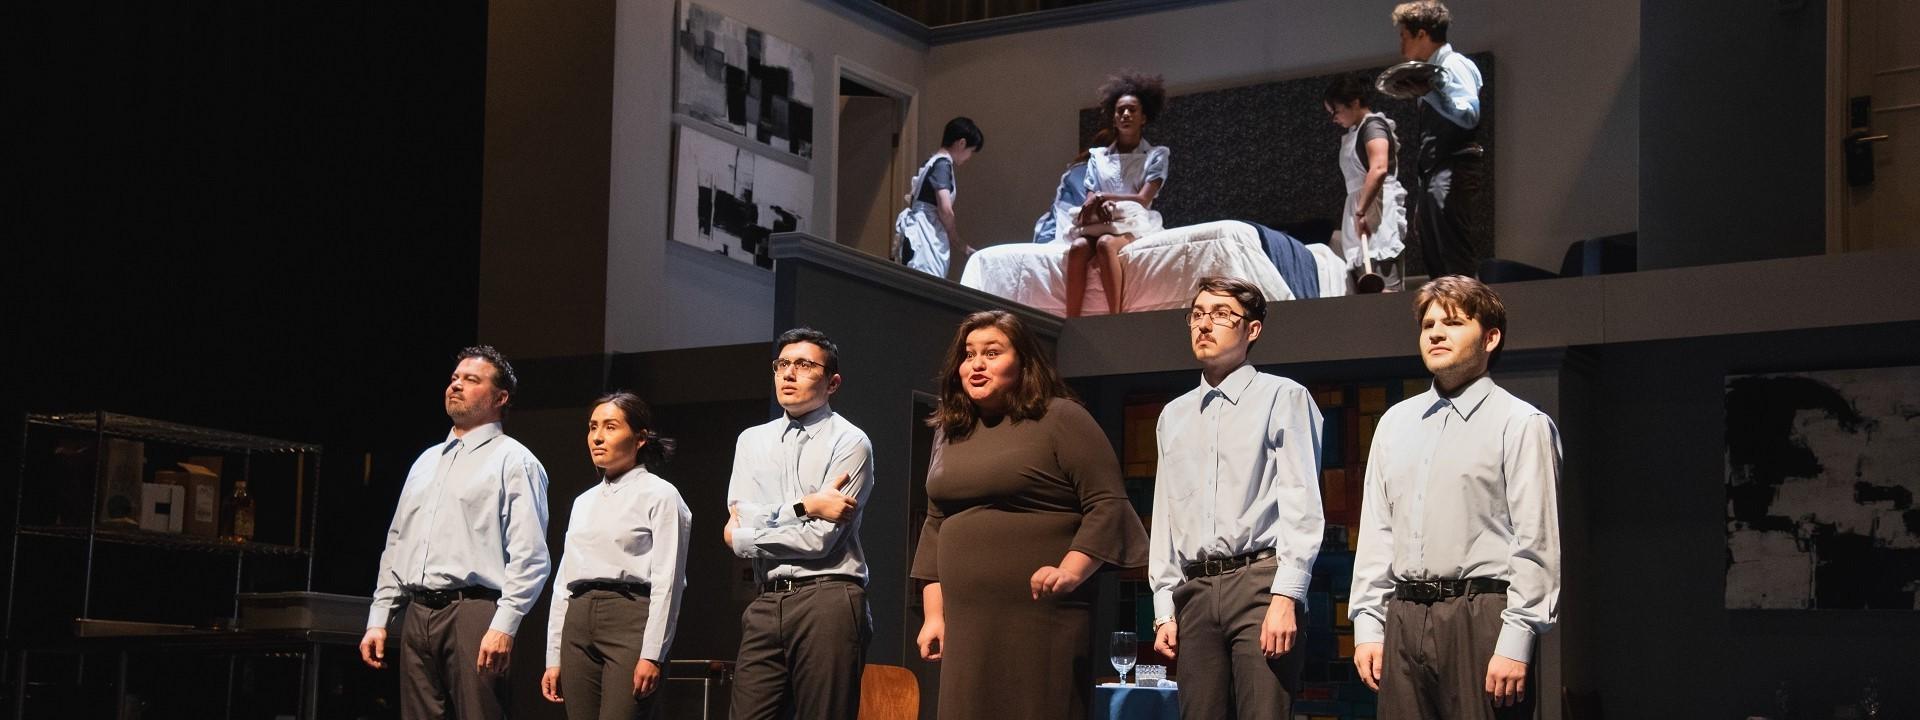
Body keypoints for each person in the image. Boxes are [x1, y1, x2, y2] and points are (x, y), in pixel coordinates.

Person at [911, 310, 1149, 719]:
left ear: (1023, 362)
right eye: (969, 355)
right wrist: (934, 615)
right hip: (968, 622)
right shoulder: (951, 430)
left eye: (992, 352)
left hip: (1042, 616)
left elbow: (1107, 503)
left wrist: (1071, 570)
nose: (977, 364)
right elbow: (936, 523)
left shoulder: (1061, 418)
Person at [1348, 276, 1562, 718]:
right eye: (1428, 325)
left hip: (1480, 615)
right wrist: (1368, 625)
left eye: (1453, 323)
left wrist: (1517, 641)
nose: (1436, 333)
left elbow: (1536, 543)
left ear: (1490, 337)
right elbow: (1377, 533)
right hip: (1404, 615)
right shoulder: (1394, 423)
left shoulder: (1521, 423)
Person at [1148, 277, 1325, 719]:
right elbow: (1166, 514)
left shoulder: (1283, 397)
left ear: (1252, 330)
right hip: (1196, 589)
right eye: (1198, 313)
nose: (1205, 324)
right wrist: (1163, 607)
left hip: (1260, 582)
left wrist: (1287, 596)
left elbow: (1302, 504)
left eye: (1222, 313)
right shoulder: (1174, 415)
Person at [360, 345, 552, 720]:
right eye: (454, 379)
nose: (456, 386)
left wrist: (505, 625)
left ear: (501, 397)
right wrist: (379, 618)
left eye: (471, 380)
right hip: (417, 613)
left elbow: (530, 556)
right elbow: (398, 543)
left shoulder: (514, 461)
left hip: (475, 613)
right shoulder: (426, 461)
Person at [723, 328, 875, 720]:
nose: (789, 374)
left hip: (827, 596)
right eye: (782, 364)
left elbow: (819, 540)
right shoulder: (751, 441)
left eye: (804, 365)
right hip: (765, 597)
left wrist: (755, 529)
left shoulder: (850, 442)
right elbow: (735, 529)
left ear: (832, 382)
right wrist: (806, 505)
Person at [540, 392, 691, 719]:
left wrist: (653, 654)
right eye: (593, 427)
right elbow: (563, 582)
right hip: (578, 623)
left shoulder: (661, 495)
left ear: (639, 439)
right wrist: (554, 656)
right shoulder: (583, 502)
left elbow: (669, 581)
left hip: (629, 619)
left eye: (610, 427)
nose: (597, 437)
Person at [1393, 1, 1486, 280]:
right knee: (1437, 262)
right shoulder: (1432, 72)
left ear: (1422, 34)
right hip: (1435, 173)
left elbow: (1469, 115)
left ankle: (1467, 319)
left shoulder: (1453, 65)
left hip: (1452, 168)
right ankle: (1450, 318)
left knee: (1453, 259)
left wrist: (1431, 92)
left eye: (1404, 36)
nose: (1401, 45)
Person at [1066, 72, 1171, 317]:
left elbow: (1144, 199)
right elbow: (1091, 195)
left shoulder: (1156, 155)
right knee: (1078, 248)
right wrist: (1096, 200)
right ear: (1113, 118)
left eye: (1132, 110)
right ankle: (1070, 319)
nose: (1125, 115)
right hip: (1102, 219)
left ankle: (1116, 317)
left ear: (1143, 117)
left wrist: (1106, 197)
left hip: (1135, 221)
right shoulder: (1098, 156)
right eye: (1120, 110)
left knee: (1105, 245)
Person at [1324, 73, 1409, 292]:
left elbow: (1379, 168)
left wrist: (1362, 212)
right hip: (1360, 208)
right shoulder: (1356, 130)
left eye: (1336, 111)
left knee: (1383, 285)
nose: (1334, 118)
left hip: (1375, 210)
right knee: (1367, 288)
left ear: (1354, 103)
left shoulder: (1373, 126)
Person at [895, 117, 985, 279]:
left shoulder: (931, 161)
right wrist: (957, 240)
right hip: (925, 236)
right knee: (927, 284)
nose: (969, 157)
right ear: (962, 143)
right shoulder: (943, 165)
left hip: (917, 231)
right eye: (970, 151)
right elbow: (945, 209)